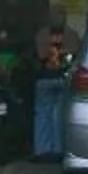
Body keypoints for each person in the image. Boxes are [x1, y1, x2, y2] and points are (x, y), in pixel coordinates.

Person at [31, 16, 75, 162]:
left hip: (43, 79)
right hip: (62, 78)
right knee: (59, 114)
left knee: (43, 115)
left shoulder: (41, 37)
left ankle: (42, 151)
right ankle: (59, 151)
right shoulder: (71, 36)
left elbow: (35, 58)